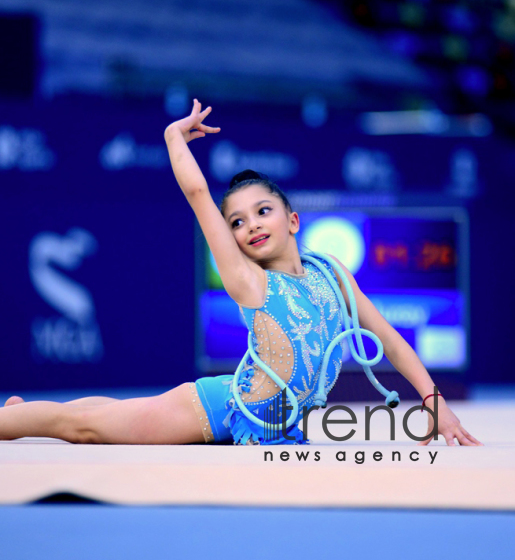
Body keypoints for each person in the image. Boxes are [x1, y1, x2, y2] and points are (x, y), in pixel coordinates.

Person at [0, 99, 482, 447]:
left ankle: (22, 414)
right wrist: (173, 137)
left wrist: (434, 406)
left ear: (292, 220)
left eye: (263, 211)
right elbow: (198, 196)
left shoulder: (332, 273)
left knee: (101, 415)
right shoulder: (249, 282)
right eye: (238, 221)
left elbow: (392, 342)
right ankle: (11, 423)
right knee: (84, 430)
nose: (251, 225)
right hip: (217, 412)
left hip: (277, 424)